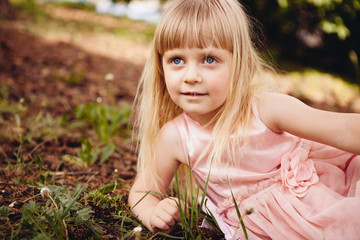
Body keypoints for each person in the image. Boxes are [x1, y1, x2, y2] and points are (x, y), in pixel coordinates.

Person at [128, 0, 360, 239]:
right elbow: (142, 193)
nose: (191, 76)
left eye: (209, 59)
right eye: (177, 60)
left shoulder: (266, 108)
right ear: (161, 67)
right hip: (262, 226)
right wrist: (153, 212)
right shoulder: (176, 136)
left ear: (242, 65)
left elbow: (343, 128)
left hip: (319, 201)